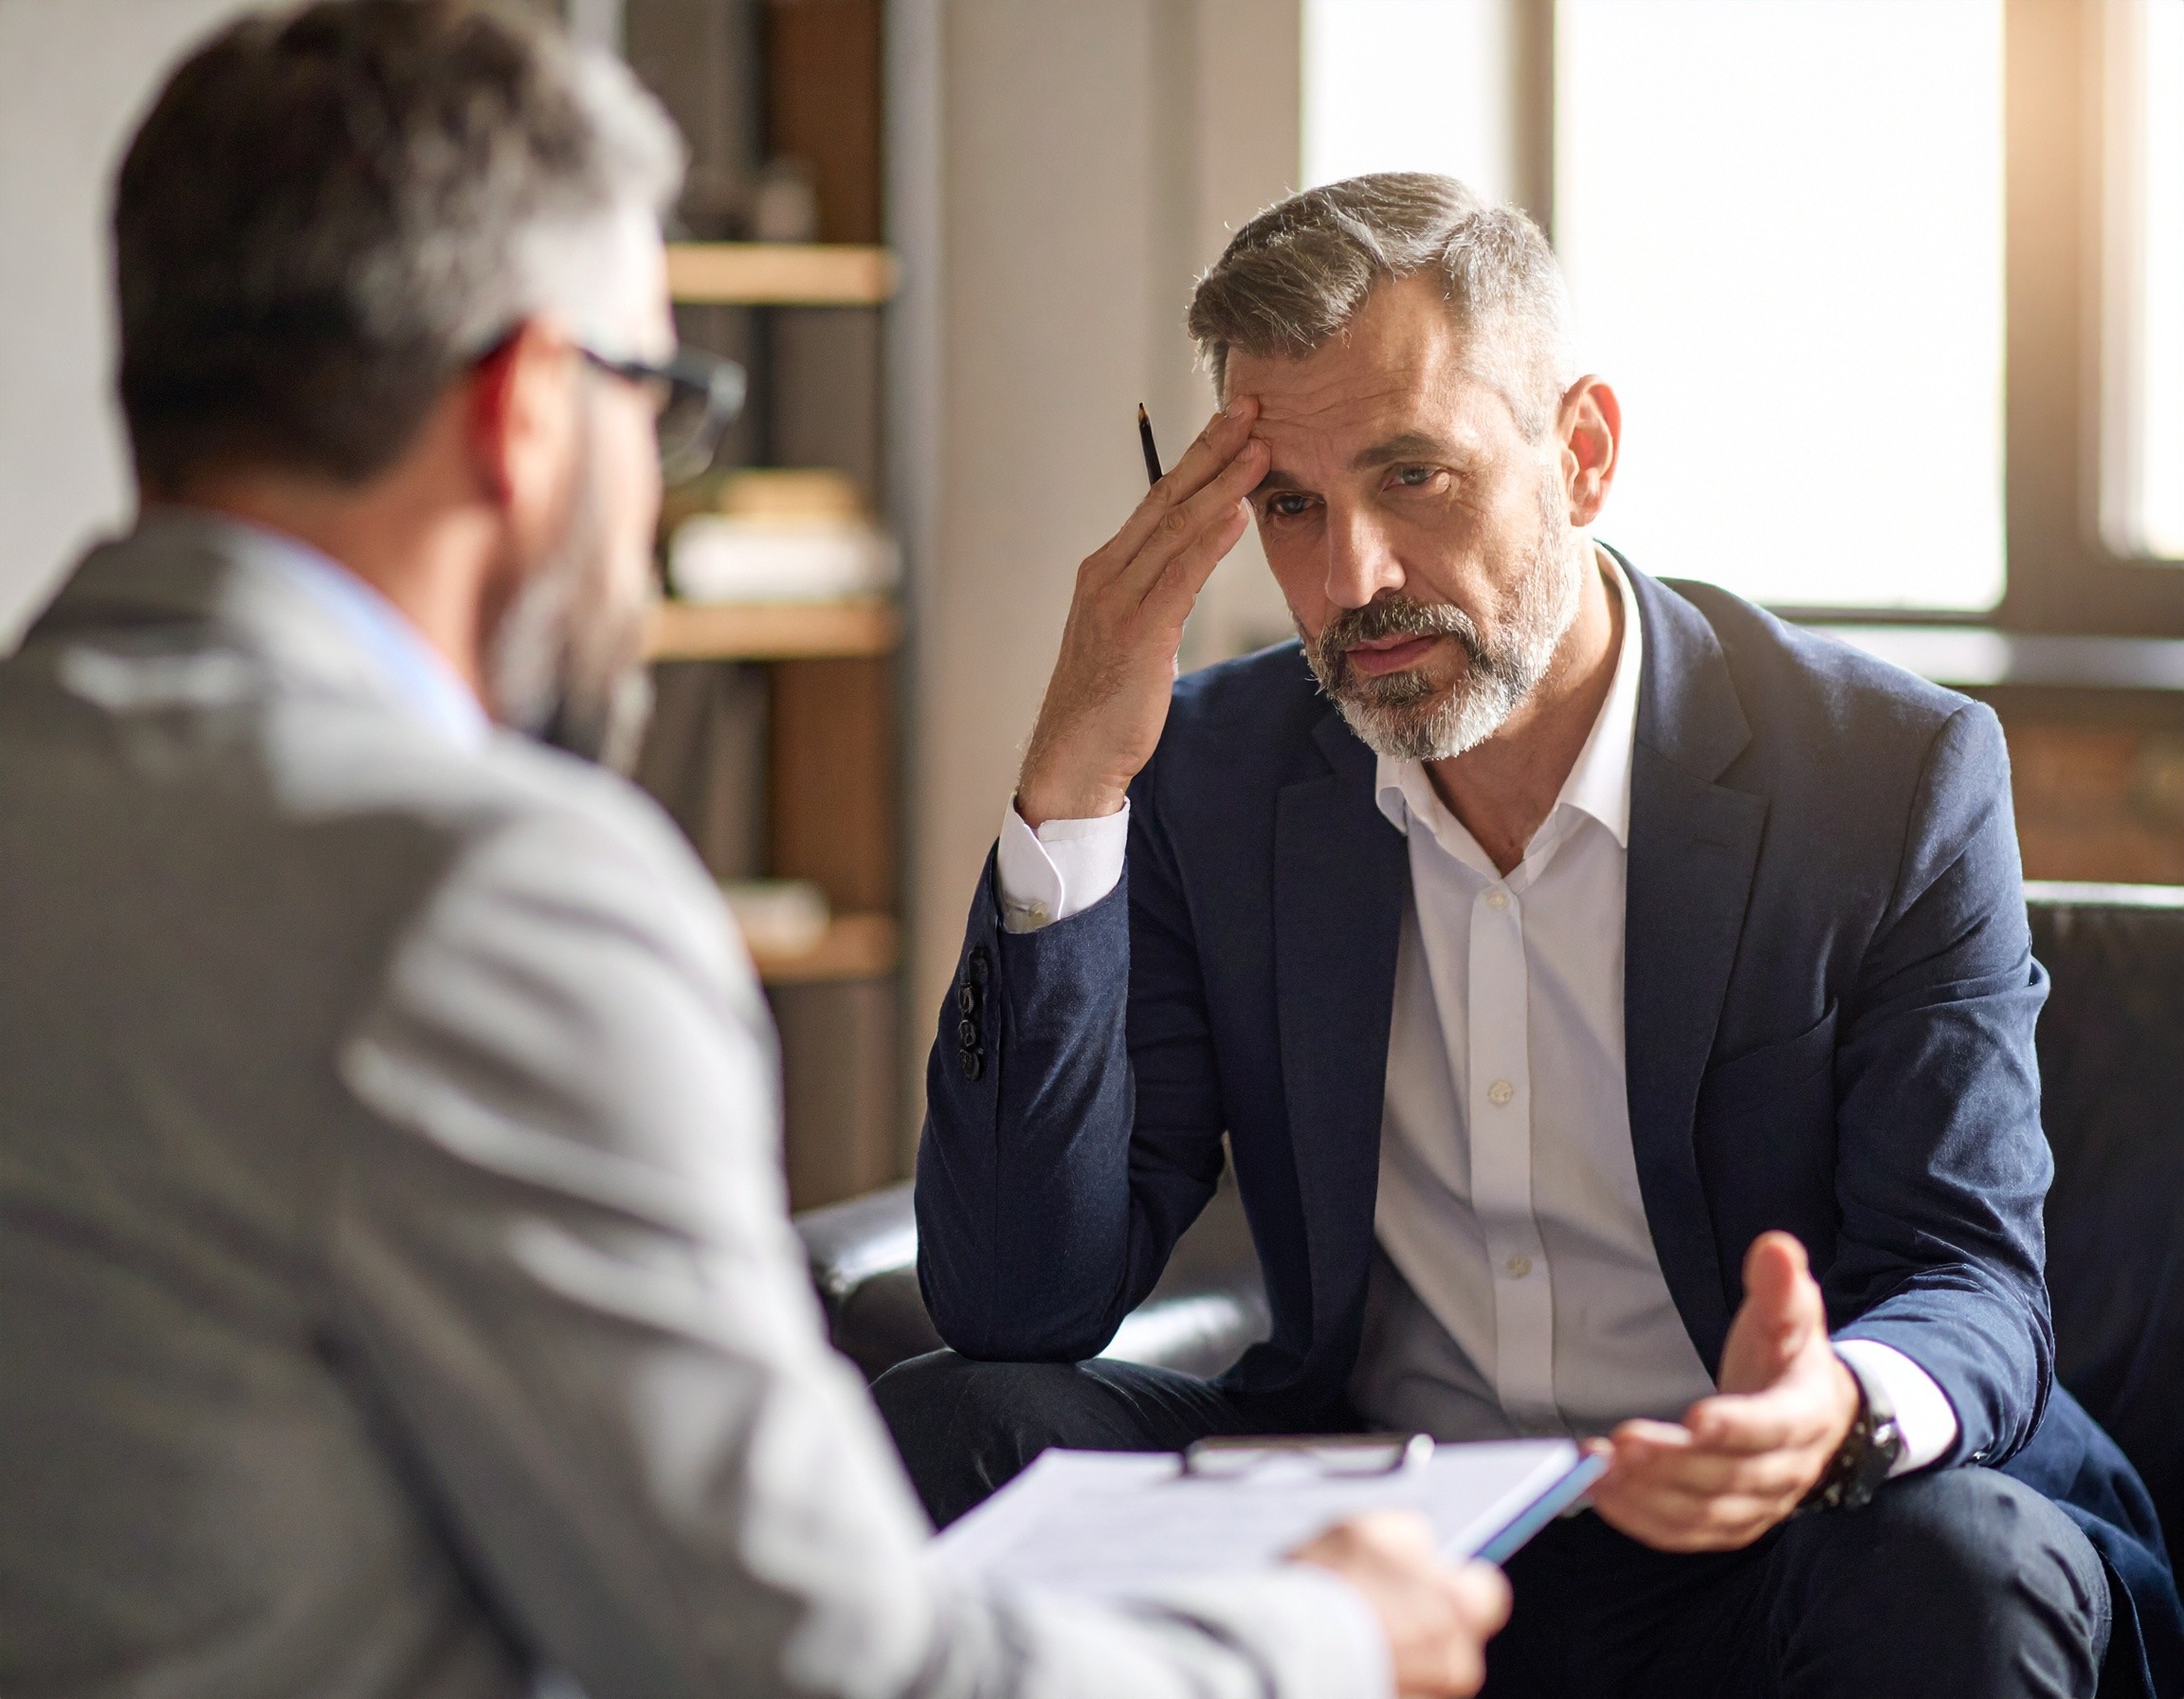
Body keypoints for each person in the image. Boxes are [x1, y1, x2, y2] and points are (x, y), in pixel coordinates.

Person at [0, 13, 1511, 1697]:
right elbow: (820, 1676)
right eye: (667, 397)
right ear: (531, 411)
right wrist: (1327, 1635)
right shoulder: (482, 897)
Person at [879, 174, 2184, 1698]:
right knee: (947, 1429)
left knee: (1963, 1573)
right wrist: (1073, 781)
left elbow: (1971, 1273)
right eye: (1290, 508)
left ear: (1582, 453)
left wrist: (1827, 1408)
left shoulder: (1886, 776)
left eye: (1414, 477)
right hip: (1381, 1515)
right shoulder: (1213, 778)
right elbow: (1016, 1302)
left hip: (1771, 1526)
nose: (1352, 579)